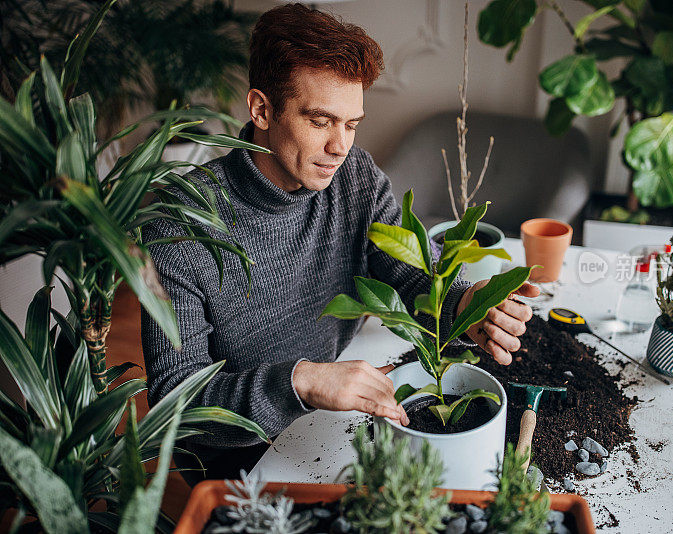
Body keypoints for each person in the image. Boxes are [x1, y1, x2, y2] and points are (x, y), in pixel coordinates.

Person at [141, 3, 538, 485]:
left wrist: (464, 303)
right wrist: (301, 381)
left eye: (352, 124)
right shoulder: (182, 225)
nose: (340, 146)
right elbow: (176, 402)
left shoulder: (354, 178)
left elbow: (408, 272)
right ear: (262, 109)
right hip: (239, 454)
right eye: (320, 120)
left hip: (331, 415)